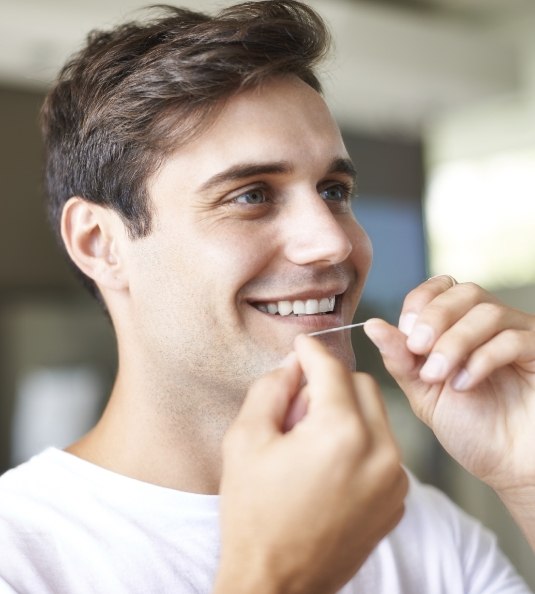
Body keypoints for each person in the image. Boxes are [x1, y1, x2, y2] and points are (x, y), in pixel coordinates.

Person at [0, 1, 534, 592]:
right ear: (100, 243)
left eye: (334, 191)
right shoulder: (18, 557)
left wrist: (527, 476)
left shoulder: (421, 526)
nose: (332, 243)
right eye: (252, 195)